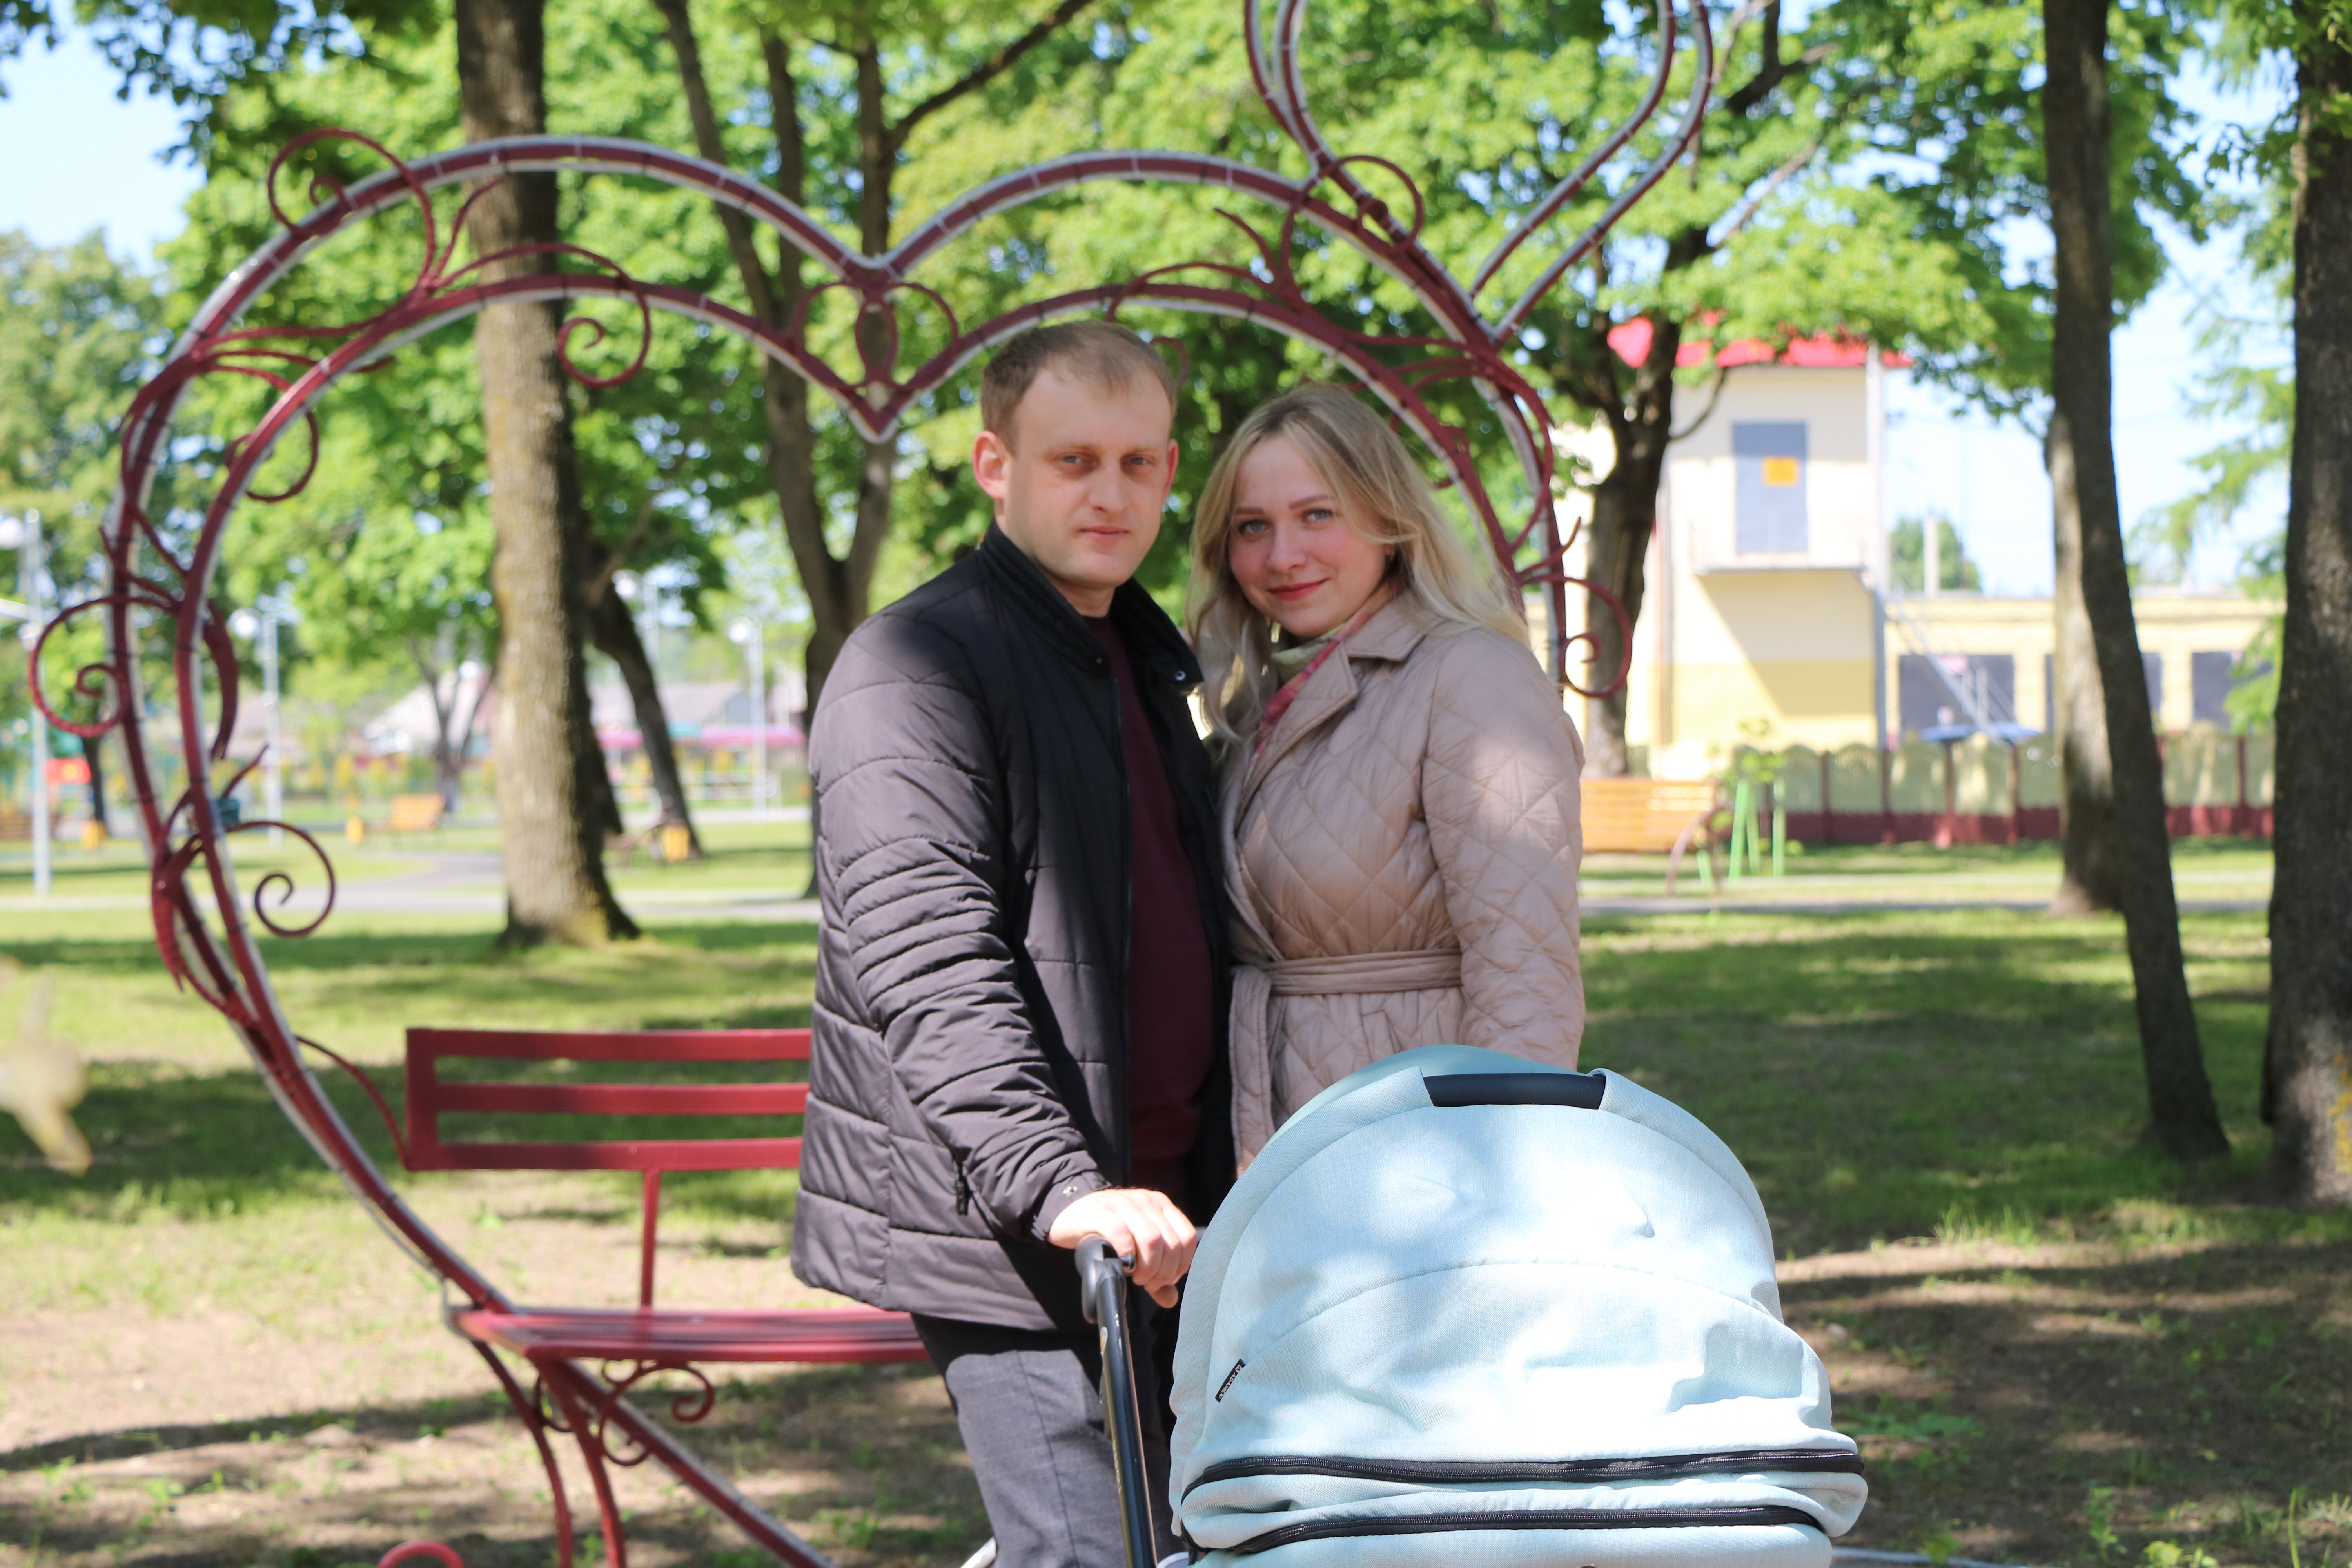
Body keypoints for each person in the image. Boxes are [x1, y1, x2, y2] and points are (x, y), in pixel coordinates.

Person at [793, 320, 1230, 1568]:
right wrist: (1061, 1186)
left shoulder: (1135, 658)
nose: (1111, 493)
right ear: (997, 465)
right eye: (1073, 460)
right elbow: (927, 959)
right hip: (1024, 1228)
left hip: (1164, 1221)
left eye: (1139, 463)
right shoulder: (915, 664)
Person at [1187, 382, 1585, 1165]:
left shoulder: (1472, 676)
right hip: (1283, 1145)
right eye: (1252, 527)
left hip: (1424, 1147)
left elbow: (1527, 976)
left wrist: (1496, 1174)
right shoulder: (1255, 707)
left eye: (1317, 515)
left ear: (1389, 520)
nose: (1283, 556)